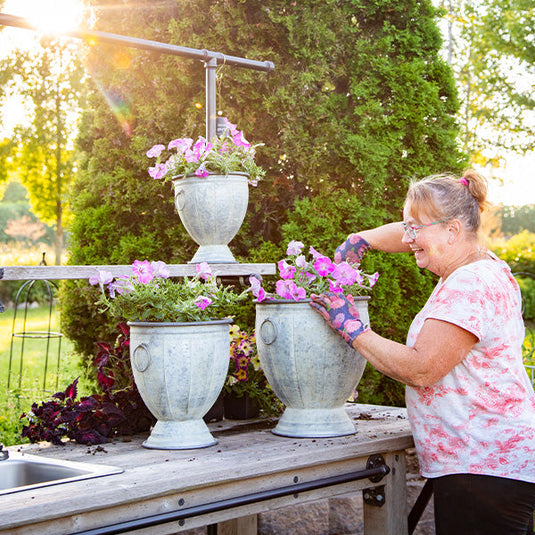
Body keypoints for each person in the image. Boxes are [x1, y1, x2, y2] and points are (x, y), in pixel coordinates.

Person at [310, 170, 535, 535]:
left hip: (484, 467)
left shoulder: (471, 285)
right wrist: (360, 240)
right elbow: (413, 234)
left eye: (415, 229)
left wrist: (351, 328)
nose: (406, 237)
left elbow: (422, 369)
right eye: (406, 227)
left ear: (453, 231)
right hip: (487, 463)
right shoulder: (477, 264)